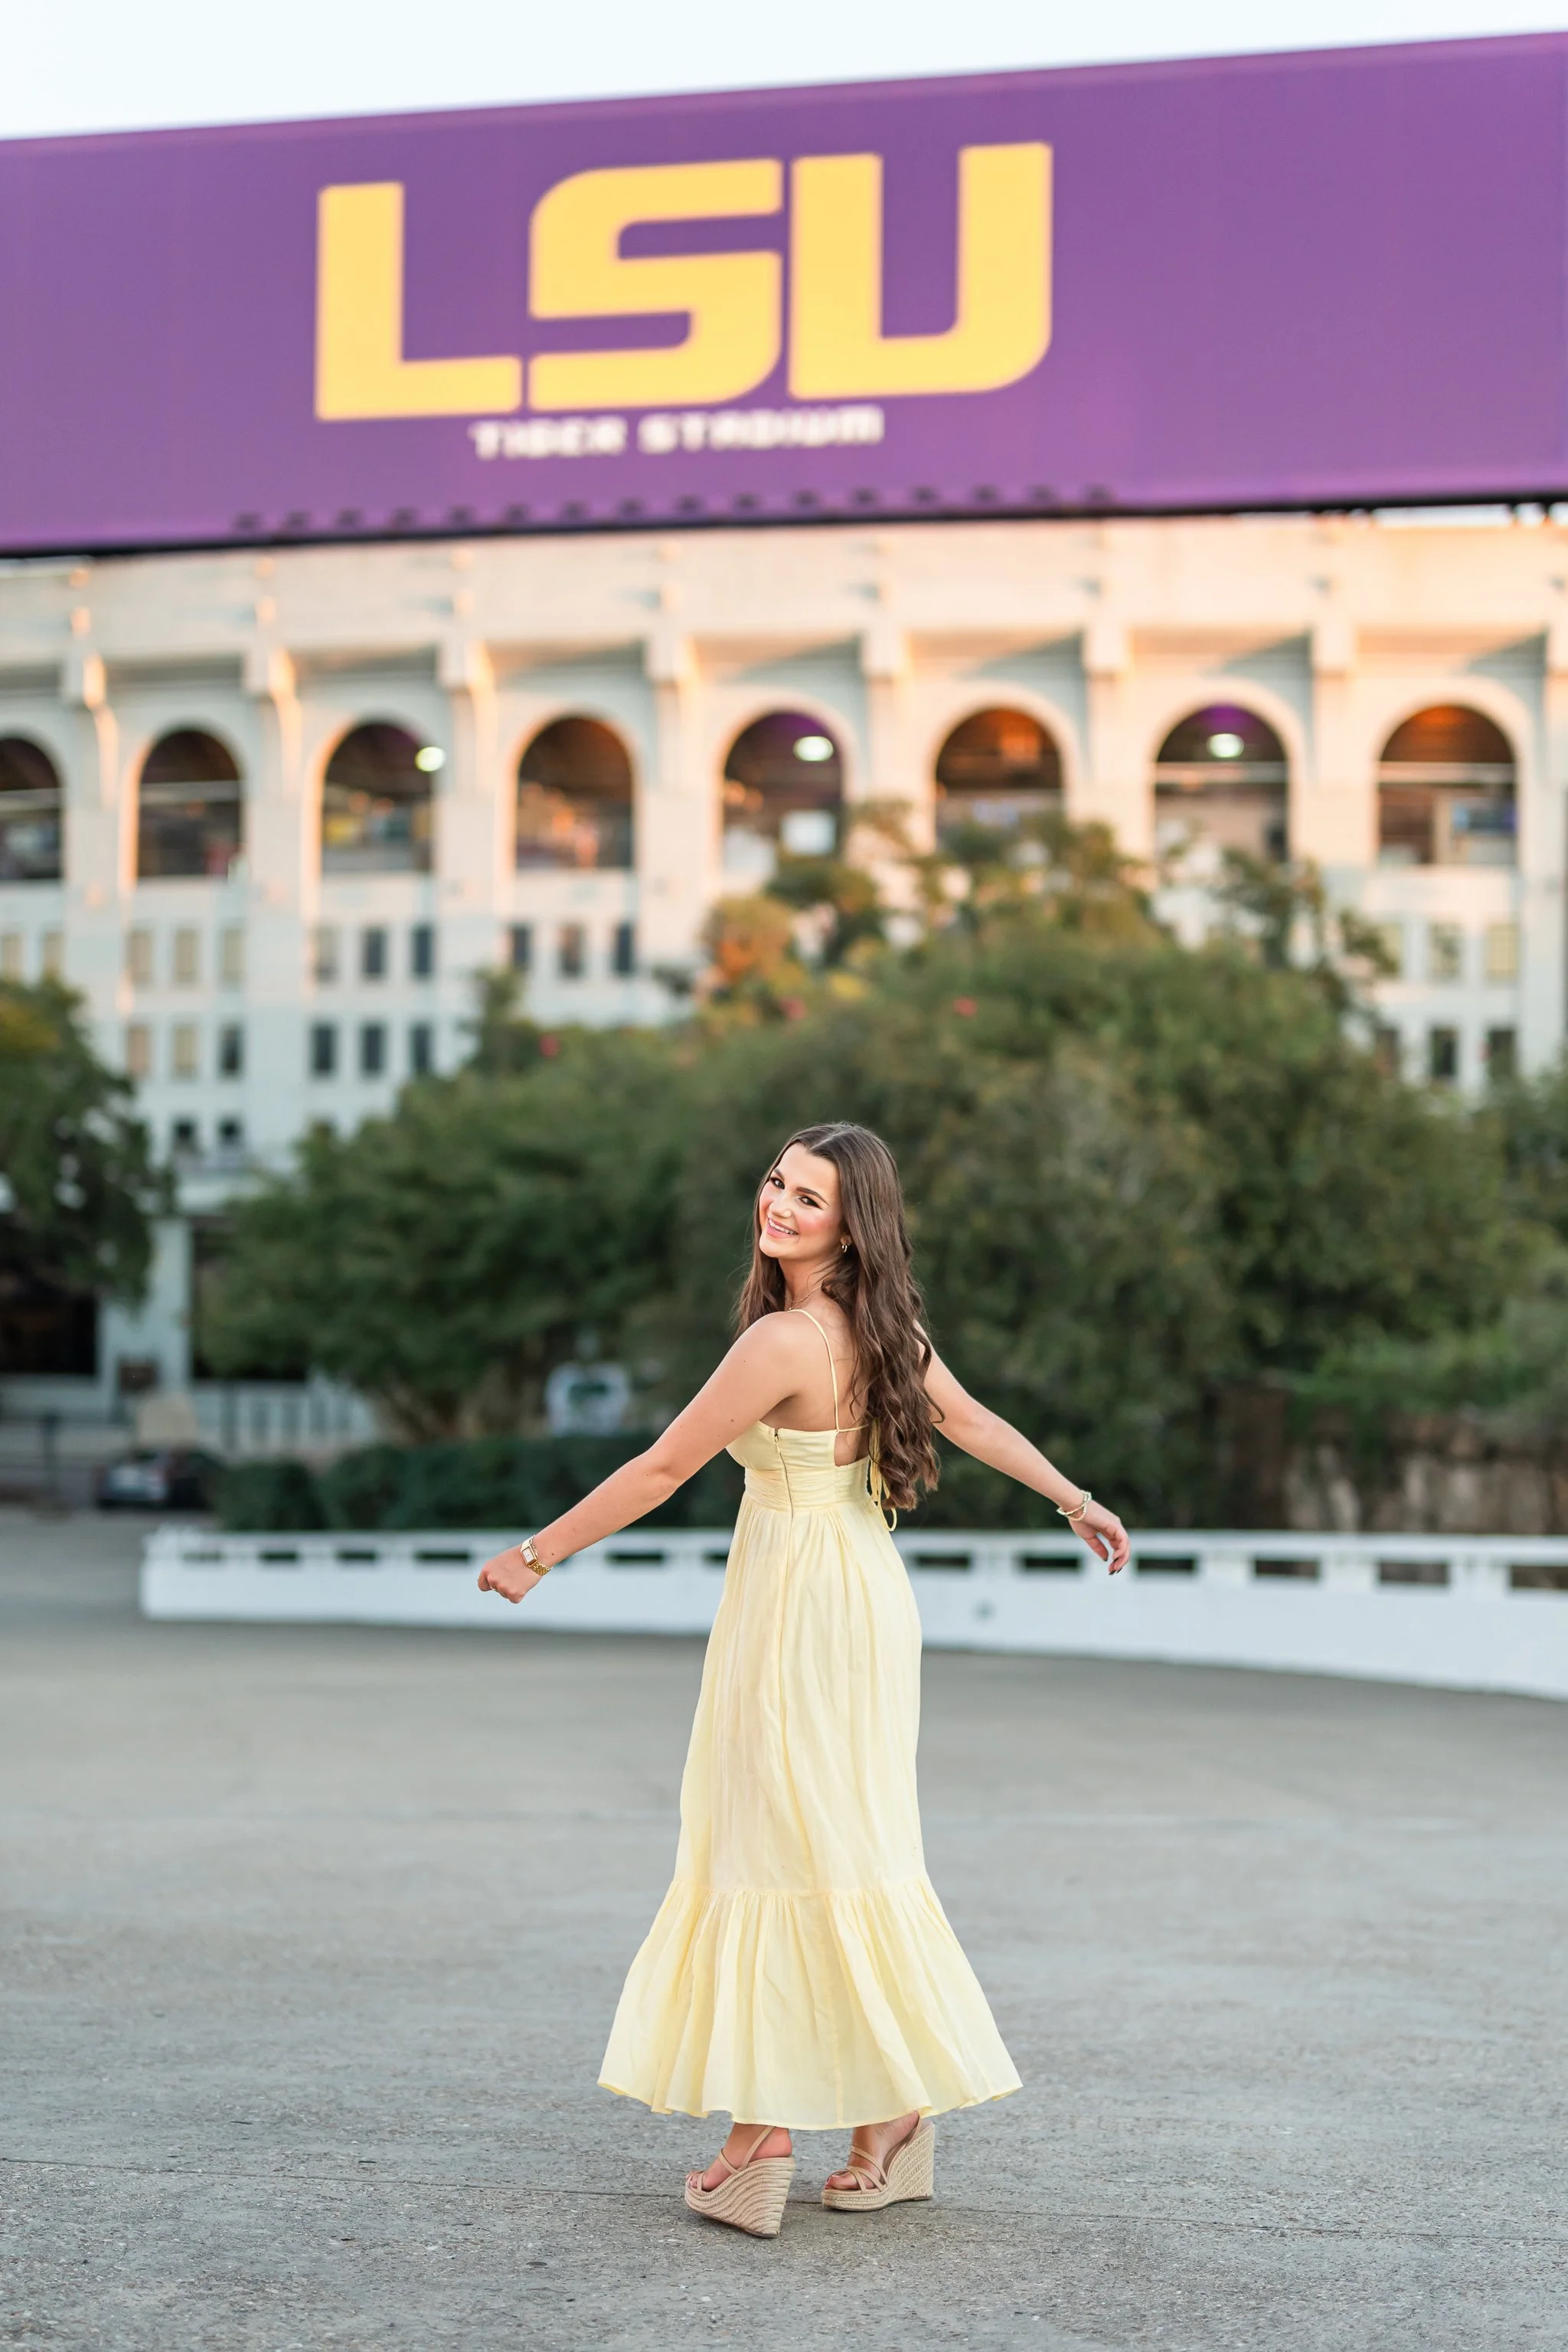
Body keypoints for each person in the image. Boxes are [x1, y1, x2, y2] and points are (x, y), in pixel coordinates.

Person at [479, 1121, 1129, 2236]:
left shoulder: (781, 1344)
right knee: (841, 1844)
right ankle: (888, 2118)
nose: (776, 1204)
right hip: (863, 1593)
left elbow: (665, 1465)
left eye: (808, 1197)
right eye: (776, 1180)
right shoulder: (883, 1330)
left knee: (773, 1845)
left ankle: (762, 2134)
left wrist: (538, 1553)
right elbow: (963, 1421)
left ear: (850, 1222)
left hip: (796, 1605)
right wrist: (1074, 1499)